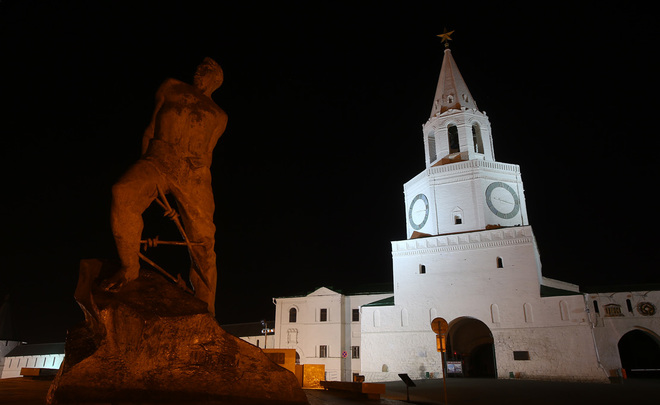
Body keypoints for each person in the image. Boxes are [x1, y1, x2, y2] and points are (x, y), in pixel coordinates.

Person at [102, 57, 227, 315]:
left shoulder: (219, 115)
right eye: (199, 67)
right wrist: (145, 162)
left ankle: (206, 307)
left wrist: (200, 165)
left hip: (193, 173)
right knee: (123, 192)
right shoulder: (171, 87)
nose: (199, 71)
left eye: (206, 70)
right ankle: (129, 268)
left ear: (216, 79)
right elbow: (150, 127)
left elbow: (210, 151)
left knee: (203, 241)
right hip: (158, 158)